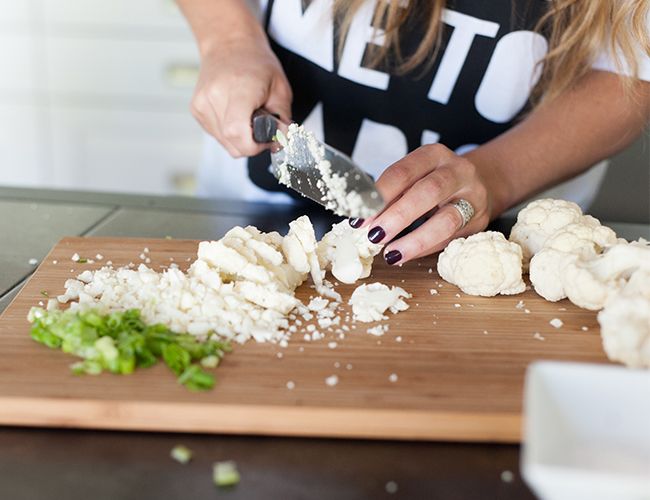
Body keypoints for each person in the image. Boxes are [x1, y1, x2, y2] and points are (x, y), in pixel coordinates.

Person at [176, 0, 650, 266]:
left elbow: (633, 75)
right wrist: (229, 39)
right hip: (252, 218)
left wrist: (498, 175)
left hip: (495, 248)